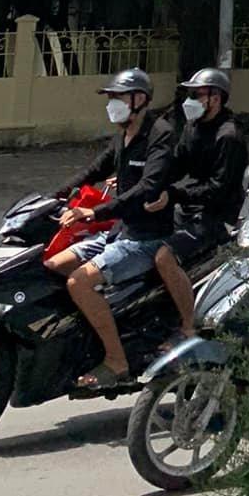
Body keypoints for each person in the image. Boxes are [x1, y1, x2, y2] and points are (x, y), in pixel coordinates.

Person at [45, 67, 177, 391]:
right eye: (111, 98)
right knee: (52, 266)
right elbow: (94, 170)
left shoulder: (160, 135)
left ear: (139, 99)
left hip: (146, 238)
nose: (112, 104)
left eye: (118, 97)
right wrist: (52, 197)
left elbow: (147, 188)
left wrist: (94, 212)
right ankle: (90, 331)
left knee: (79, 282)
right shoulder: (123, 135)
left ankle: (116, 361)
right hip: (120, 232)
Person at [154, 67, 249, 343]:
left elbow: (218, 189)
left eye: (197, 94)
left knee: (164, 257)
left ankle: (187, 326)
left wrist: (173, 195)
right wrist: (148, 184)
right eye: (190, 94)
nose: (190, 100)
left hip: (215, 217)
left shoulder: (228, 136)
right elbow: (176, 164)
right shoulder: (194, 128)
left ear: (215, 98)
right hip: (188, 210)